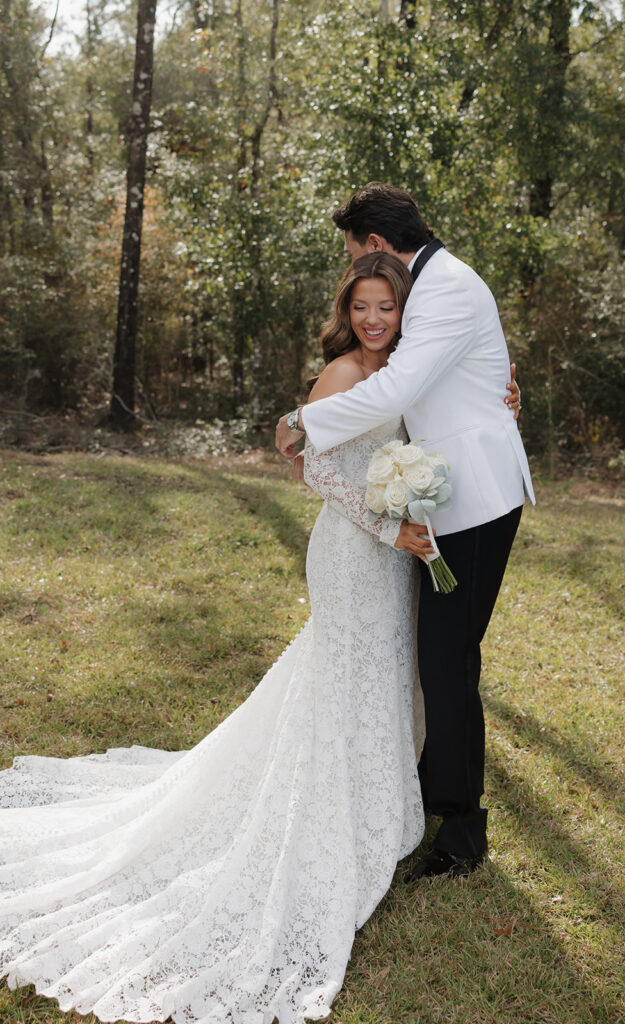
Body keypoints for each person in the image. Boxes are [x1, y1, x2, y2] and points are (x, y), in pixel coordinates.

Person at [0, 255, 427, 1024]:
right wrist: (390, 525)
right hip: (353, 552)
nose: (373, 320)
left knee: (382, 672)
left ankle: (380, 803)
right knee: (341, 674)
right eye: (362, 307)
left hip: (394, 560)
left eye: (385, 308)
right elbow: (318, 473)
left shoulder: (404, 369)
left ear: (402, 313)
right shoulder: (337, 377)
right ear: (347, 310)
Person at [276, 183, 535, 880]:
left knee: (448, 659)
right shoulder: (427, 288)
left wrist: (303, 424)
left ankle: (460, 827)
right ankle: (421, 794)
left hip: (474, 500)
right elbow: (447, 378)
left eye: (358, 253)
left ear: (380, 245)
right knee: (435, 657)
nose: (365, 283)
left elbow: (396, 391)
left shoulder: (443, 287)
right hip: (441, 499)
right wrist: (502, 391)